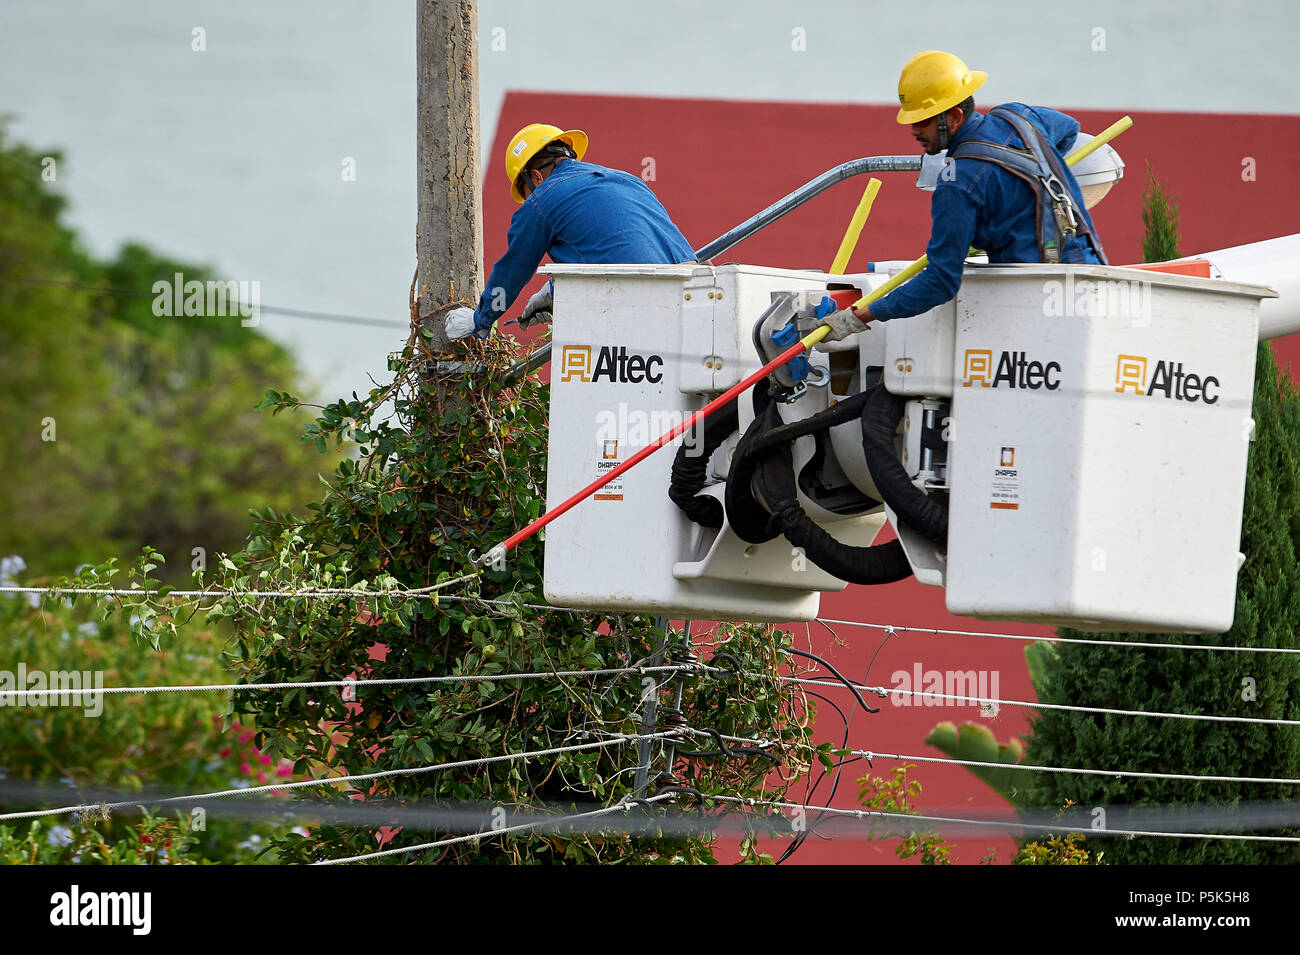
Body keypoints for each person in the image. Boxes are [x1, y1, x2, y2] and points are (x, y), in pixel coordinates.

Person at [819, 51, 1108, 342]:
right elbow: (1070, 130)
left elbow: (940, 281)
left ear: (954, 116)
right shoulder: (1019, 117)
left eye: (924, 121)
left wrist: (858, 317)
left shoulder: (956, 184)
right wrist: (1039, 182)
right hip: (1093, 278)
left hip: (1037, 305)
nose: (914, 130)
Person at [444, 123, 696, 340]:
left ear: (535, 177)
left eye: (526, 193)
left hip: (638, 312)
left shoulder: (542, 200)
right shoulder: (629, 180)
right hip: (692, 303)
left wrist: (481, 320)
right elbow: (620, 249)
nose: (530, 200)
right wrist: (557, 289)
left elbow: (512, 272)